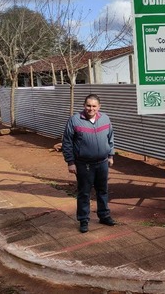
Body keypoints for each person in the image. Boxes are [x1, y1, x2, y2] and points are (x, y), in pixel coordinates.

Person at [62, 94, 116, 233]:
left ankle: (104, 216)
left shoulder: (105, 118)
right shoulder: (75, 120)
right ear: (84, 105)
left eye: (94, 106)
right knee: (84, 193)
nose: (90, 108)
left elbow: (110, 137)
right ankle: (83, 220)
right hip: (83, 164)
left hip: (102, 162)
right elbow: (67, 142)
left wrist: (110, 155)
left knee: (102, 190)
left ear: (99, 107)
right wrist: (70, 162)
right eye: (88, 105)